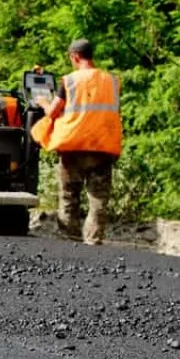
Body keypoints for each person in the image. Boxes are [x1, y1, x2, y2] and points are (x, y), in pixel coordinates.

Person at [30, 38, 123, 245]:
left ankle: (69, 241)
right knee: (98, 199)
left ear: (75, 57)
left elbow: (54, 112)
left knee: (69, 197)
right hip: (102, 147)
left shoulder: (70, 81)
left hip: (73, 147)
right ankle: (93, 241)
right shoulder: (112, 81)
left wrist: (43, 101)